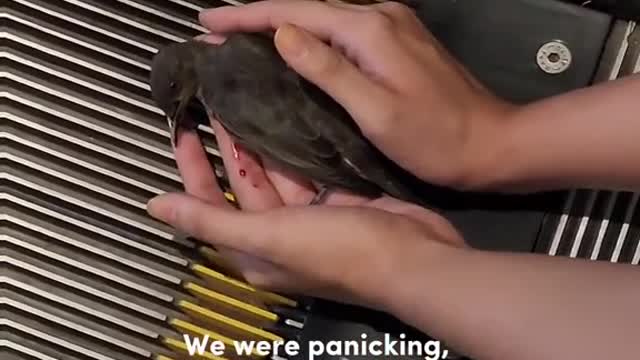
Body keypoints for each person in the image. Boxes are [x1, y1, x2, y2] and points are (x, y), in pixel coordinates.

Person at [146, 1, 639, 359]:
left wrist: (393, 268)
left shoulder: (222, 95)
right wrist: (489, 143)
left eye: (175, 101)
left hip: (337, 154)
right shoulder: (237, 53)